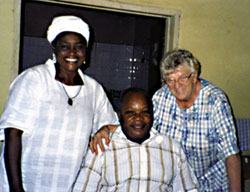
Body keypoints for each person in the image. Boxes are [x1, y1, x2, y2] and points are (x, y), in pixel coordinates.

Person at [90, 49, 241, 192]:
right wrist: (108, 129)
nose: (177, 85)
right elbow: (141, 122)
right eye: (170, 80)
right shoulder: (162, 97)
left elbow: (230, 153)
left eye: (183, 77)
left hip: (210, 182)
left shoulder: (215, 100)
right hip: (176, 181)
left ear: (194, 76)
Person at [0, 15, 118, 191]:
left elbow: (113, 126)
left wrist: (105, 129)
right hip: (27, 182)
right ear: (54, 48)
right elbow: (13, 134)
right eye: (65, 47)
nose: (72, 53)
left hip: (69, 185)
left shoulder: (93, 89)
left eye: (78, 47)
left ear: (86, 51)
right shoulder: (34, 79)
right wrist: (16, 189)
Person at [72, 88, 199, 192]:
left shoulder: (172, 149)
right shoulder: (103, 147)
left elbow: (189, 189)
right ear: (120, 115)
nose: (138, 118)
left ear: (152, 115)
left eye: (144, 112)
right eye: (130, 113)